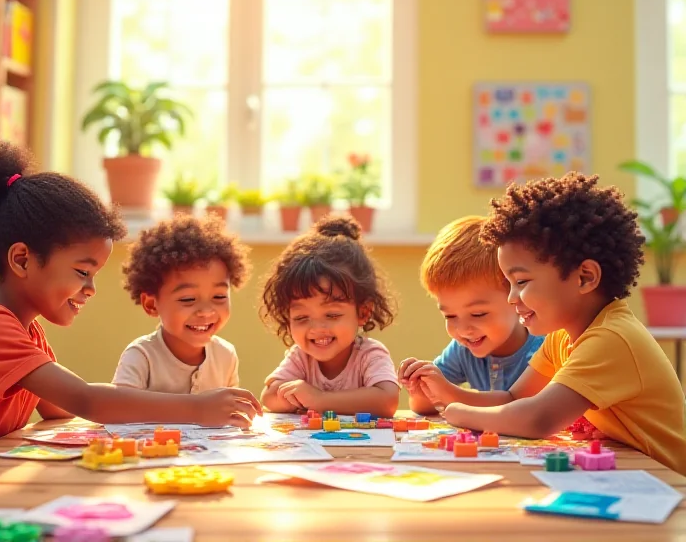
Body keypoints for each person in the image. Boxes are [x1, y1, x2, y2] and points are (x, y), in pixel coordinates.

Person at [0, 143, 261, 480]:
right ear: (22, 259)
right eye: (82, 272)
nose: (90, 289)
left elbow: (61, 409)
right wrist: (196, 408)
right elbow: (85, 400)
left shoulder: (26, 331)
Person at [419, 173, 686, 475]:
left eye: (521, 281)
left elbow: (538, 419)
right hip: (631, 474)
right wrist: (448, 393)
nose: (511, 297)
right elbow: (514, 398)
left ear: (585, 277)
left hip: (669, 485)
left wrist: (459, 413)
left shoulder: (612, 338)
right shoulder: (562, 336)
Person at [398, 216, 544, 414]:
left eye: (478, 314)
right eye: (450, 316)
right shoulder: (462, 350)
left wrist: (448, 392)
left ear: (515, 296)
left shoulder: (544, 349)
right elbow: (425, 408)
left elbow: (521, 407)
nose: (463, 329)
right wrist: (420, 390)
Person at [260, 216, 399, 416]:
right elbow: (269, 397)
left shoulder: (369, 355)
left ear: (363, 312)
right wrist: (294, 394)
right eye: (301, 318)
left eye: (332, 315)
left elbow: (387, 401)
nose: (316, 328)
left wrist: (319, 400)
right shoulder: (301, 356)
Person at [113, 214, 250, 393]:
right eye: (188, 299)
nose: (206, 312)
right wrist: (195, 409)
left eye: (219, 297)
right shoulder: (142, 356)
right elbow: (121, 406)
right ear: (151, 304)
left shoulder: (226, 355)